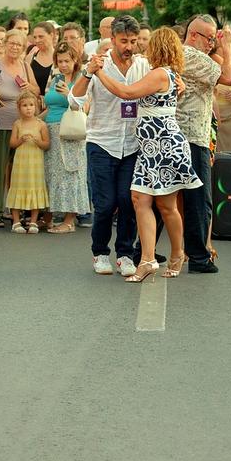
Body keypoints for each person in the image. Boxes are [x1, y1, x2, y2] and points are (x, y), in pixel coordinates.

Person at [93, 27, 202, 281]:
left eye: (150, 44)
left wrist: (98, 72)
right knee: (141, 200)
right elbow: (174, 91)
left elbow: (127, 93)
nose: (144, 46)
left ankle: (176, 254)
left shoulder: (161, 74)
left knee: (166, 206)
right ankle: (148, 259)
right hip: (150, 147)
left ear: (158, 47)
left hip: (164, 146)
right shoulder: (167, 74)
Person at [71, 16, 149, 276]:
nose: (129, 46)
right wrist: (87, 72)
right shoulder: (98, 65)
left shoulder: (143, 65)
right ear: (113, 40)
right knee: (105, 203)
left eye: (133, 41)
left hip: (132, 143)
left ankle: (125, 254)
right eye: (124, 41)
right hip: (102, 142)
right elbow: (74, 100)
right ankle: (100, 252)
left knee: (128, 201)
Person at [171, 14, 231, 272]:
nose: (212, 43)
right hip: (191, 137)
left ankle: (147, 250)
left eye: (214, 39)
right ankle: (198, 256)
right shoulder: (192, 55)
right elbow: (230, 77)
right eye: (209, 38)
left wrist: (219, 48)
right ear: (194, 35)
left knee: (167, 196)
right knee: (199, 200)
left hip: (184, 134)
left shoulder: (189, 55)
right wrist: (228, 46)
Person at [0, 29, 40, 227]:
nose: (15, 47)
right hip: (0, 123)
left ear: (24, 47)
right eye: (12, 43)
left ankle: (17, 210)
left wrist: (29, 87)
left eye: (19, 44)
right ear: (5, 44)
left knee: (20, 170)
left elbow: (36, 90)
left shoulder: (25, 66)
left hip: (22, 125)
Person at [43, 42, 90, 234]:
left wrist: (69, 94)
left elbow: (84, 108)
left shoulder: (81, 79)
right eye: (59, 61)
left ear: (75, 61)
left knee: (72, 173)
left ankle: (69, 220)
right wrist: (33, 121)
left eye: (67, 61)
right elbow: (49, 107)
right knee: (53, 174)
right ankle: (54, 216)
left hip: (71, 131)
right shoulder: (56, 78)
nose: (63, 65)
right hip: (51, 130)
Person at [7, 91, 50, 234]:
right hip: (21, 163)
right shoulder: (17, 124)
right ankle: (16, 221)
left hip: (35, 164)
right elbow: (12, 143)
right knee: (18, 187)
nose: (28, 108)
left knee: (35, 187)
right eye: (24, 105)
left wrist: (38, 142)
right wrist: (20, 140)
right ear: (19, 108)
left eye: (31, 105)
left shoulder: (41, 125)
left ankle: (33, 221)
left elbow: (47, 144)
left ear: (36, 106)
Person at [26, 21, 57, 92]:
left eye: (41, 36)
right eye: (35, 37)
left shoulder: (60, 58)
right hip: (35, 101)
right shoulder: (30, 58)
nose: (37, 40)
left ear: (51, 35)